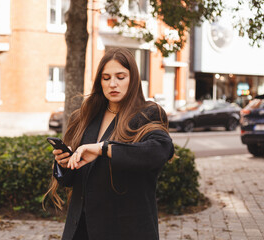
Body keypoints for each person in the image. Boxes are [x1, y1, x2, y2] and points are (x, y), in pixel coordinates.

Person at [46, 47, 174, 240]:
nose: (113, 84)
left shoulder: (148, 113)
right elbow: (74, 181)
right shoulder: (86, 115)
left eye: (120, 77)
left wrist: (103, 149)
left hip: (126, 230)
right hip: (82, 229)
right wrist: (65, 164)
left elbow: (160, 152)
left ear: (133, 79)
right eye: (106, 78)